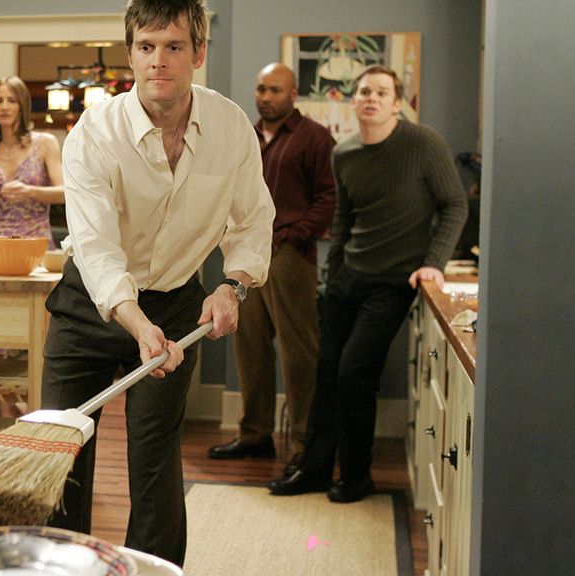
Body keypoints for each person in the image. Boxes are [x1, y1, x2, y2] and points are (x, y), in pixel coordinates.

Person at [41, 0, 275, 565]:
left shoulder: (230, 128)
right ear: (131, 54)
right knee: (63, 454)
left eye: (174, 46)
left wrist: (232, 286)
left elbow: (252, 220)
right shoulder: (93, 133)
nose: (158, 61)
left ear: (199, 52)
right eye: (146, 47)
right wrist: (136, 323)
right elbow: (96, 248)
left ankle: (155, 569)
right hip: (88, 305)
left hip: (175, 305)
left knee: (155, 458)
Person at [268, 65, 467, 503]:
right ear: (353, 101)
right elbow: (344, 217)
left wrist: (433, 264)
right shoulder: (345, 153)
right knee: (326, 372)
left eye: (381, 92)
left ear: (397, 104)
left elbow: (454, 204)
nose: (371, 98)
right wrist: (333, 271)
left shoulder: (424, 143)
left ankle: (357, 476)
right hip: (348, 277)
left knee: (354, 373)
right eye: (364, 92)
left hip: (394, 282)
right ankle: (315, 470)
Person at [208, 63, 336, 472]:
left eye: (275, 90)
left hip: (289, 256)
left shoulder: (314, 138)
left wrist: (295, 235)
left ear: (293, 93)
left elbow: (329, 196)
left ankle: (303, 443)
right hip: (245, 257)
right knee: (249, 348)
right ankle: (255, 435)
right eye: (261, 89)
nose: (266, 97)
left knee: (299, 353)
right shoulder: (245, 136)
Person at [0, 76, 64, 247]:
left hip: (36, 243)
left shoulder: (45, 143)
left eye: (12, 101)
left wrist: (29, 191)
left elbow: (64, 193)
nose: (4, 107)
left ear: (22, 106)